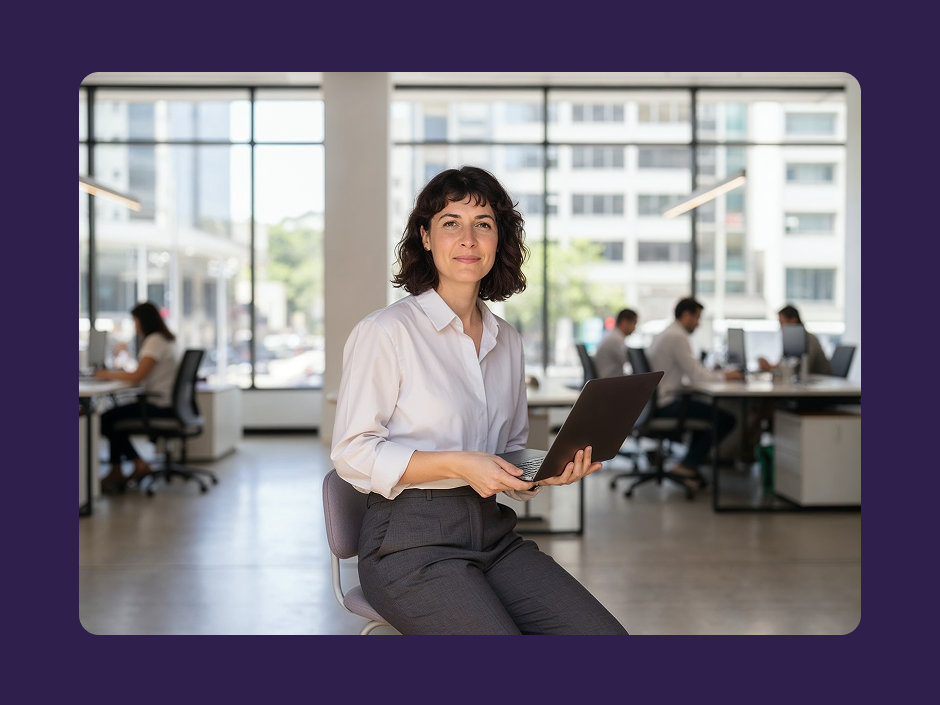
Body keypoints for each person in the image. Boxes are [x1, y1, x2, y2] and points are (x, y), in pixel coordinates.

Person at [330, 166, 627, 635]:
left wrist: (542, 471)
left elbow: (506, 449)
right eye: (451, 222)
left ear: (497, 240)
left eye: (483, 224)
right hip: (408, 544)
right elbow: (353, 454)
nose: (468, 238)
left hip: (492, 533)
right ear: (426, 237)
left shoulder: (505, 339)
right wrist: (459, 464)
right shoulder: (386, 332)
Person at [646, 298, 743, 490]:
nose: (698, 324)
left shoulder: (665, 333)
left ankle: (689, 463)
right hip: (668, 404)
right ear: (686, 315)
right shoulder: (677, 336)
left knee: (704, 413)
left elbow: (688, 373)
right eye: (697, 318)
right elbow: (697, 376)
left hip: (654, 403)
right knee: (725, 419)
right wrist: (726, 375)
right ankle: (688, 464)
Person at [93, 301, 180, 493]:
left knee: (106, 419)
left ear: (143, 321)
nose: (135, 326)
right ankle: (120, 468)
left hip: (158, 404)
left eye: (135, 321)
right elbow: (142, 372)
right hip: (167, 403)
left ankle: (136, 464)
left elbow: (137, 376)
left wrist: (106, 374)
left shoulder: (155, 340)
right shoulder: (165, 339)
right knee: (112, 418)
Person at [758, 304, 833, 376]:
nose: (780, 327)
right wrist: (771, 367)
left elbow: (803, 367)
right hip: (804, 383)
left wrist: (773, 368)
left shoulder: (809, 339)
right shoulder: (791, 341)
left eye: (782, 322)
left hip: (821, 383)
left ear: (793, 321)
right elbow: (784, 363)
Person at [593, 308, 638, 379]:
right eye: (634, 323)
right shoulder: (615, 340)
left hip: (606, 378)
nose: (634, 328)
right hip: (609, 381)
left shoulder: (611, 335)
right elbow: (629, 362)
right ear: (624, 321)